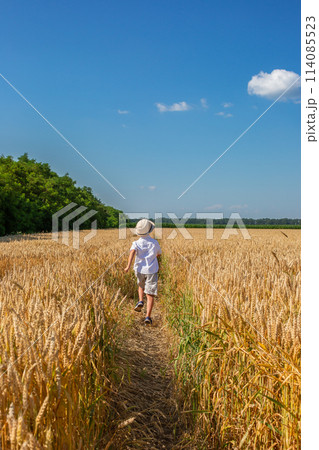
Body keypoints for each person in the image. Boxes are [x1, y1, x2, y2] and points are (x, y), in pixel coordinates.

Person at [124, 219, 162, 325]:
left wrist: (128, 266)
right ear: (149, 230)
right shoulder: (154, 242)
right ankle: (148, 317)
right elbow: (158, 254)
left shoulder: (136, 243)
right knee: (150, 294)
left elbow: (132, 253)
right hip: (151, 270)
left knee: (141, 286)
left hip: (139, 269)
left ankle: (140, 301)